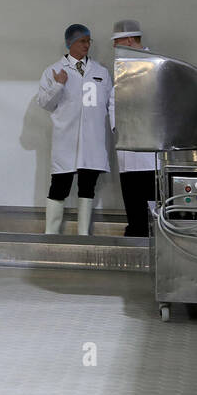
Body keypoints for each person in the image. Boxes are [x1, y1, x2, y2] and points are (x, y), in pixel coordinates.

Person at [35, 24, 113, 235]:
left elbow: (111, 102)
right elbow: (44, 102)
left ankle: (83, 235)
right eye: (82, 41)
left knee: (87, 188)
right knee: (59, 186)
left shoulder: (101, 72)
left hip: (92, 140)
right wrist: (58, 85)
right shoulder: (53, 71)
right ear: (70, 43)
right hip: (66, 139)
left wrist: (115, 127)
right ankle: (50, 234)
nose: (87, 45)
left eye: (89, 41)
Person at [110, 20, 156, 237]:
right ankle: (135, 233)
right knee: (131, 196)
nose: (114, 46)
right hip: (126, 145)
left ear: (129, 39)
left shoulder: (154, 64)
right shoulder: (121, 66)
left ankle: (149, 237)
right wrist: (116, 129)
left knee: (150, 197)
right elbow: (113, 101)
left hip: (149, 147)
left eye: (117, 41)